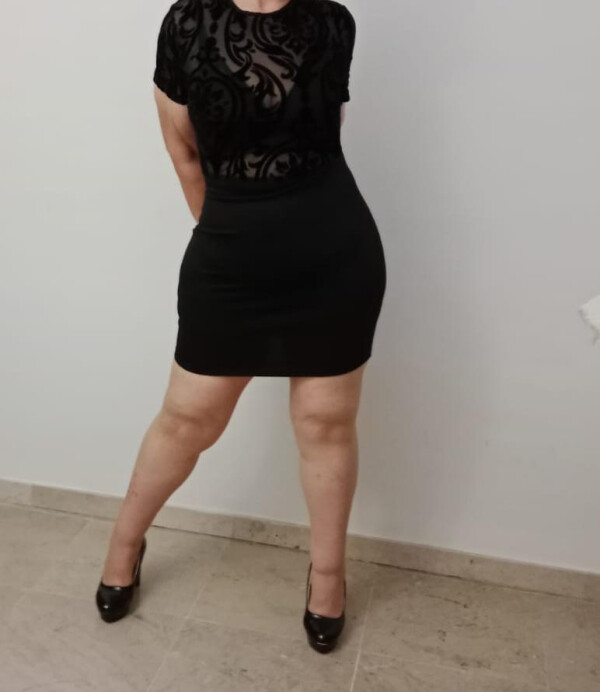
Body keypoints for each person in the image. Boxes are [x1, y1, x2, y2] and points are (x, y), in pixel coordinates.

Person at [95, 0, 386, 654]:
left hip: (335, 253)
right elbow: (183, 152)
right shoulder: (186, 23)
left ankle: (328, 577)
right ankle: (124, 543)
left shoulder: (333, 22)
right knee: (187, 418)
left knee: (325, 422)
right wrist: (229, 236)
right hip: (229, 257)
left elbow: (319, 138)